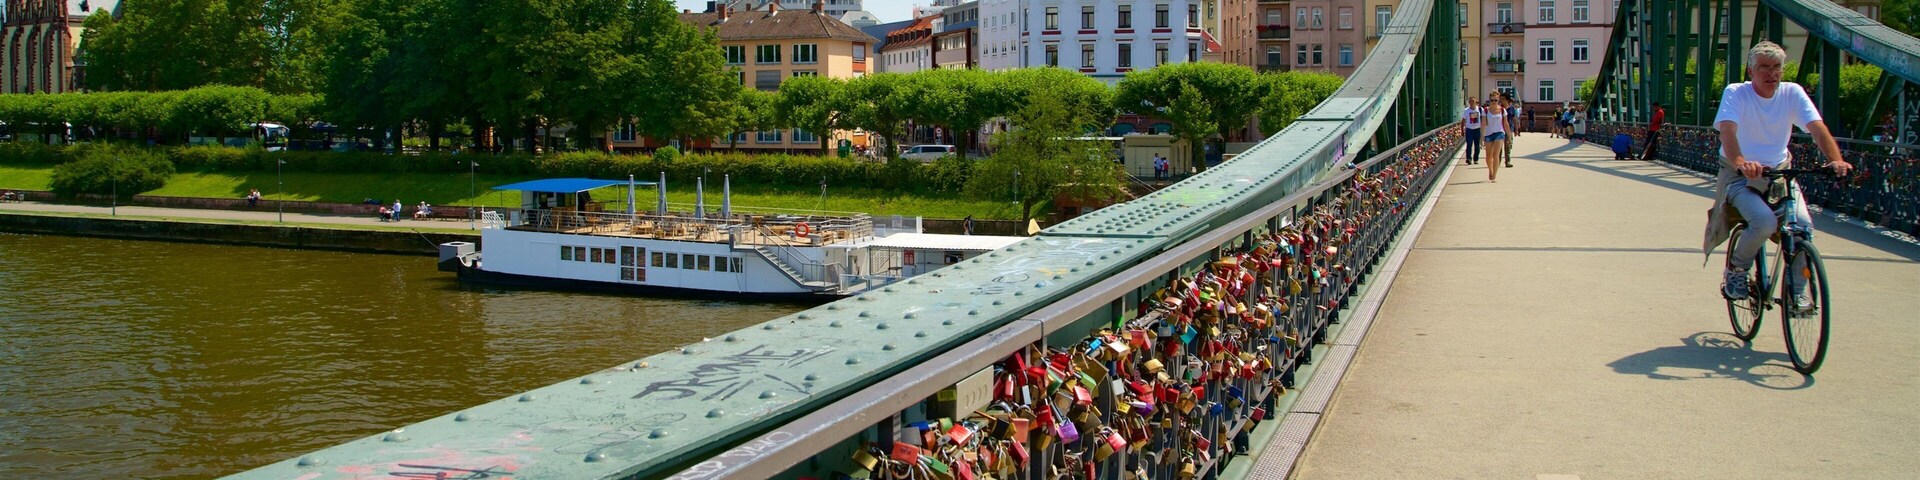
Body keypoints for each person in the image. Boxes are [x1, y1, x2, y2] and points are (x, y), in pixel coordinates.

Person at [1704, 41, 1854, 306]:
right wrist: (1740, 161)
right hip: (1741, 175)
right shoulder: (1737, 93)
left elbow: (1817, 129)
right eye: (1764, 67)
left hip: (1780, 173)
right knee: (1764, 222)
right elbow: (1727, 129)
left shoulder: (1792, 93)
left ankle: (1797, 291)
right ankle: (1737, 270)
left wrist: (1836, 160)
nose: (1771, 73)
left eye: (1776, 67)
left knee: (1803, 228)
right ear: (1751, 71)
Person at [1482, 94, 1509, 183]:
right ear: (1489, 100)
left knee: (1495, 154)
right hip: (1489, 133)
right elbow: (1483, 124)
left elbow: (1505, 123)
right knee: (1488, 156)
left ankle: (1494, 175)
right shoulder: (1485, 110)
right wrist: (1482, 137)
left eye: (1495, 100)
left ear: (1498, 101)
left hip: (1499, 133)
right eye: (1492, 100)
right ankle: (1490, 170)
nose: (1493, 102)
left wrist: (1509, 136)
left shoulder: (1502, 110)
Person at [1462, 96, 1483, 165]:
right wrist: (1462, 129)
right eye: (1470, 101)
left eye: (1473, 101)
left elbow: (1483, 119)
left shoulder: (1480, 109)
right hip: (1469, 130)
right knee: (1469, 144)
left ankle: (1476, 159)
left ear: (1475, 101)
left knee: (1477, 145)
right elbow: (1463, 120)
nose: (1471, 103)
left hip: (1477, 129)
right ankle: (1468, 158)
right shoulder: (1466, 110)